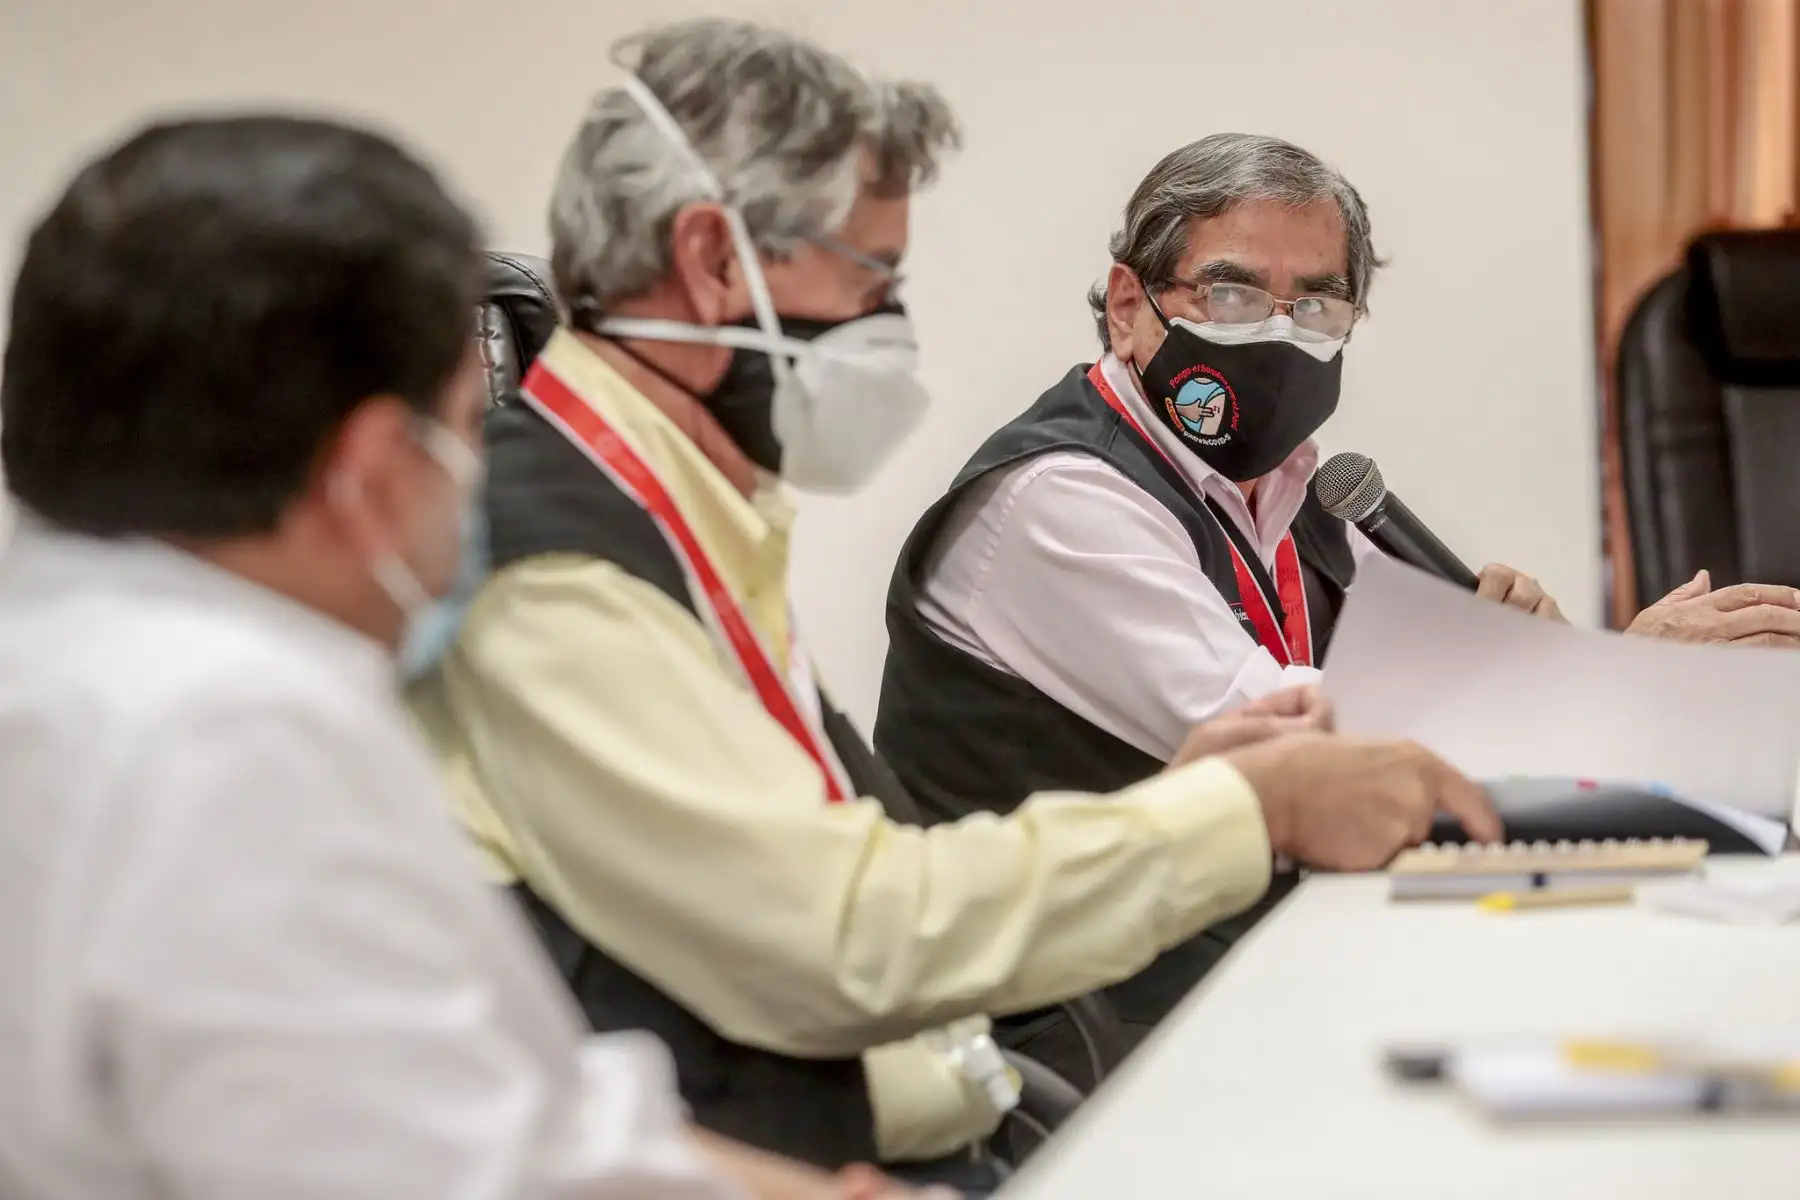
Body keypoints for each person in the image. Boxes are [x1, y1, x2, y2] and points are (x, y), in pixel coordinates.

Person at [405, 20, 1500, 1196]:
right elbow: (847, 937)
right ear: (715, 261)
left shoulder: (687, 517)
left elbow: (856, 872)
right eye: (871, 278)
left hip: (948, 1117)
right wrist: (1235, 812)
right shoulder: (559, 565)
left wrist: (1192, 801)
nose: (891, 326)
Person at [0, 113, 930, 1200]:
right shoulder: (234, 734)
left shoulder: (68, 661)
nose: (480, 480)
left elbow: (481, 1103)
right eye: (466, 431)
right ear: (369, 472)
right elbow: (453, 1170)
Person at [870, 132, 1800, 1068]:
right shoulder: (1059, 501)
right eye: (1231, 295)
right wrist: (1621, 682)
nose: (1277, 335)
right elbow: (1315, 759)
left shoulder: (1297, 495)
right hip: (1081, 1043)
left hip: (1260, 976)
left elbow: (1411, 710)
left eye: (1315, 304)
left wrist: (1530, 661)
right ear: (1127, 307)